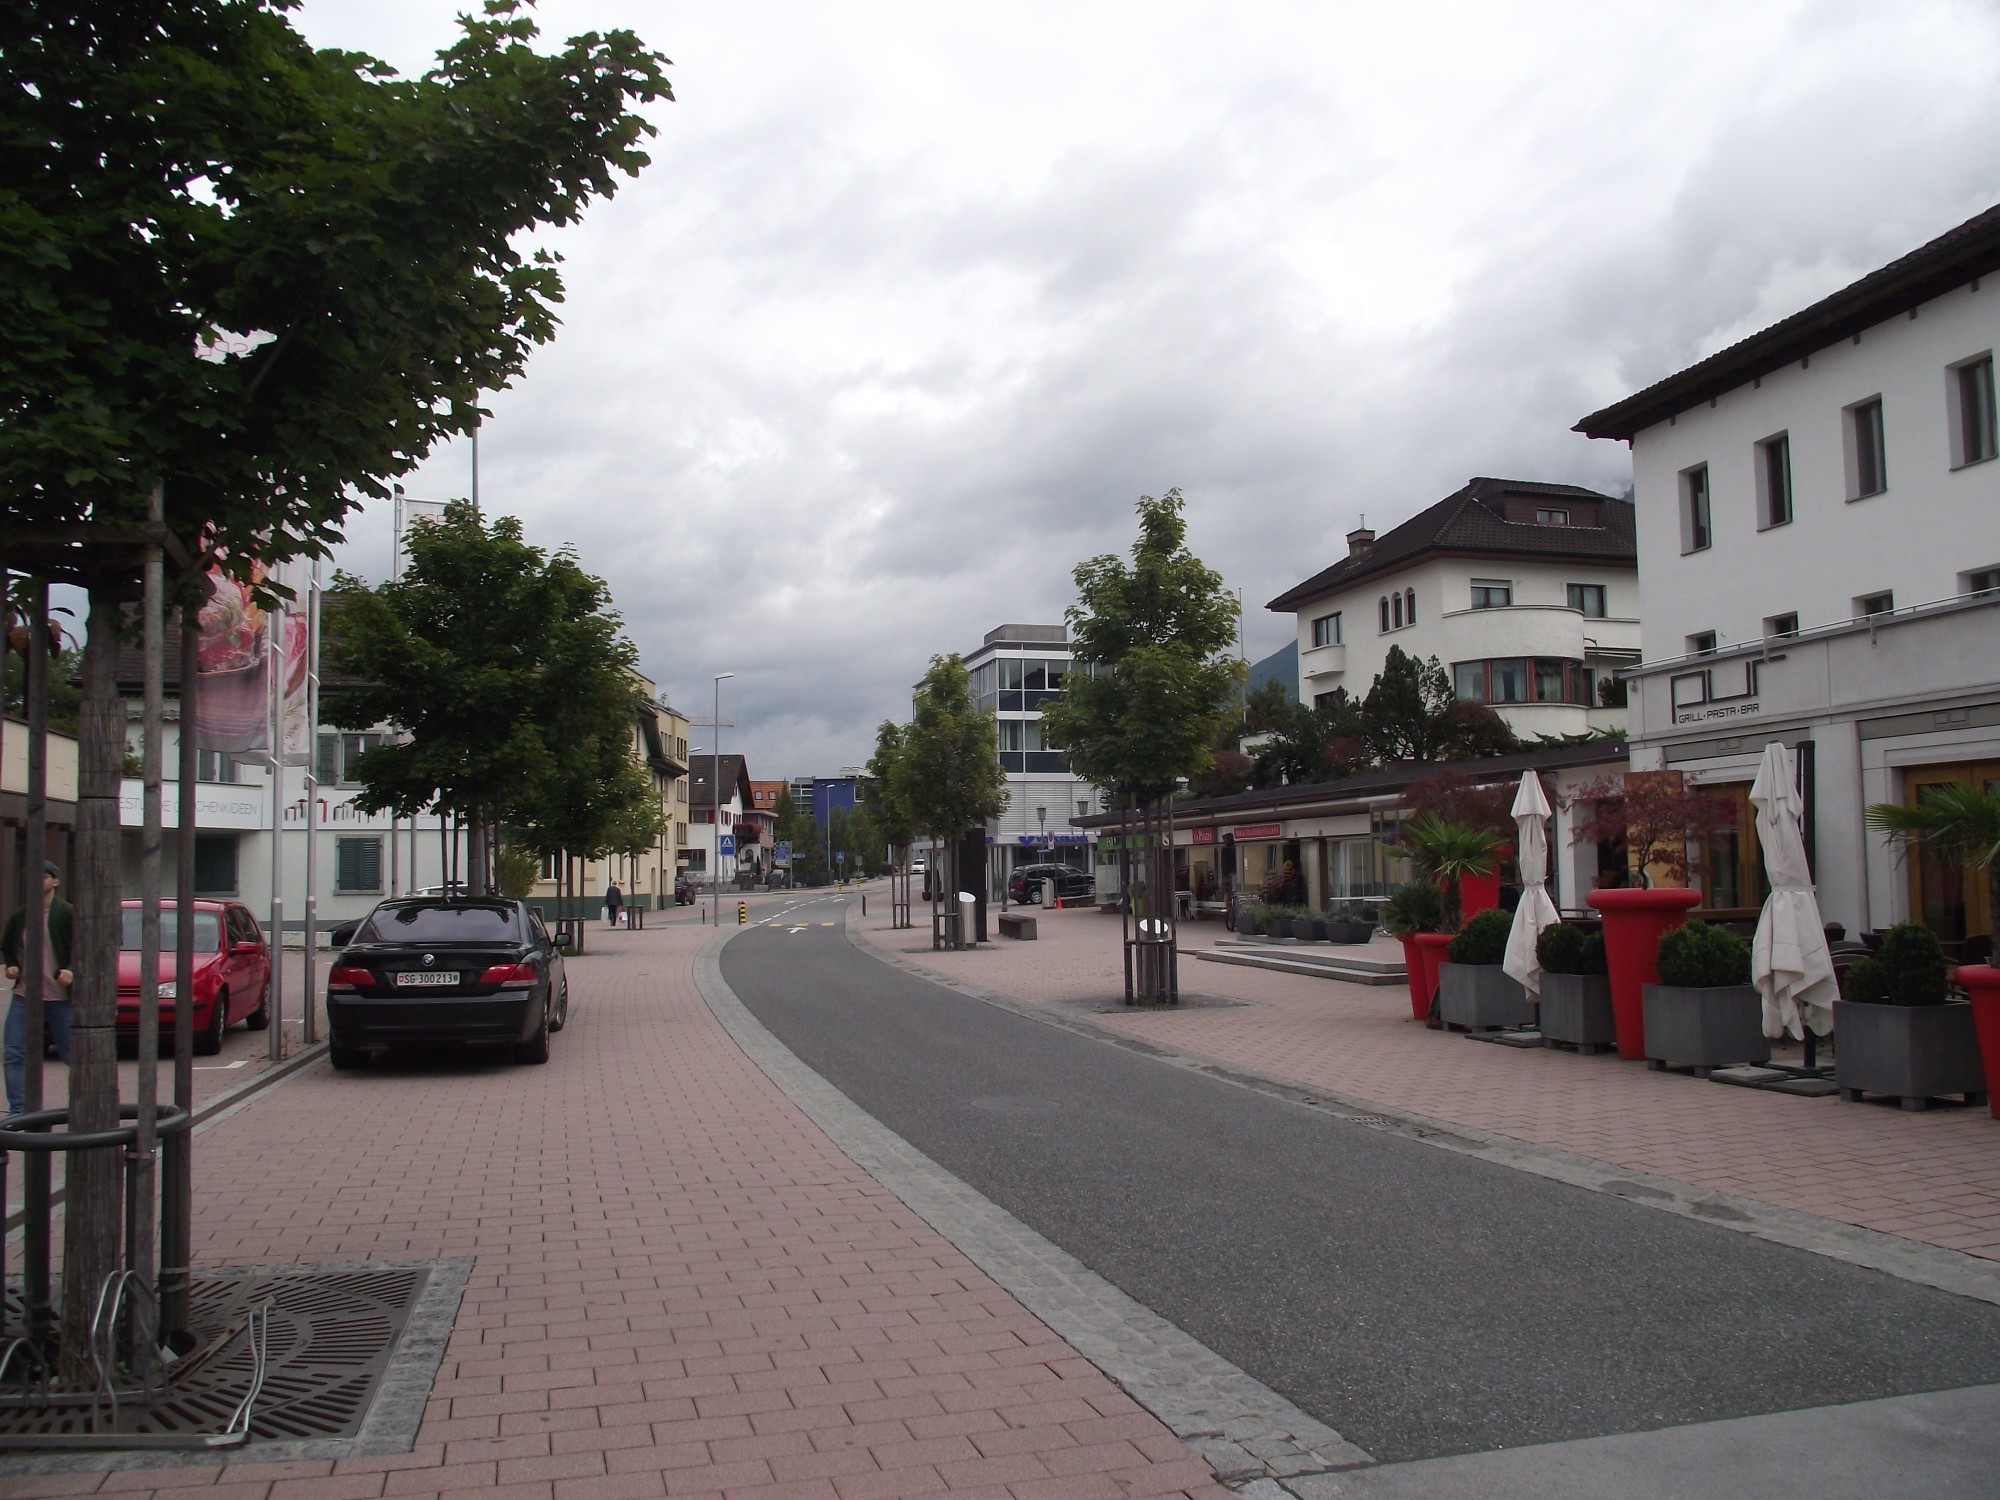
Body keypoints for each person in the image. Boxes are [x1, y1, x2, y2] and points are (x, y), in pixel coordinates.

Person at [3, 861, 75, 1118]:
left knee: (72, 1054)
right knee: (13, 1051)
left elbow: (83, 948)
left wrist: (70, 969)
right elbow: (9, 948)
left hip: (60, 998)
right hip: (25, 995)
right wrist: (11, 966)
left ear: (55, 881)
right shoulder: (20, 916)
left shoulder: (66, 913)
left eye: (43, 877)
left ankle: (81, 1106)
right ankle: (19, 1111)